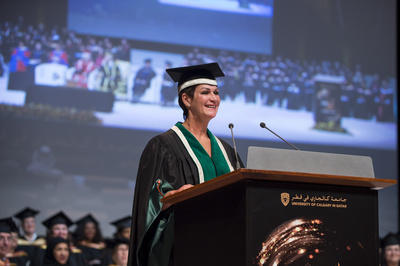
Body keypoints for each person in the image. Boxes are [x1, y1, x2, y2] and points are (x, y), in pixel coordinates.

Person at [128, 62, 243, 266]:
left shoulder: (227, 151)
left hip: (225, 248)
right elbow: (148, 204)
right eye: (206, 92)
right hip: (183, 248)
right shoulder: (162, 146)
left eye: (216, 92)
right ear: (186, 99)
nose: (214, 98)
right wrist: (169, 199)